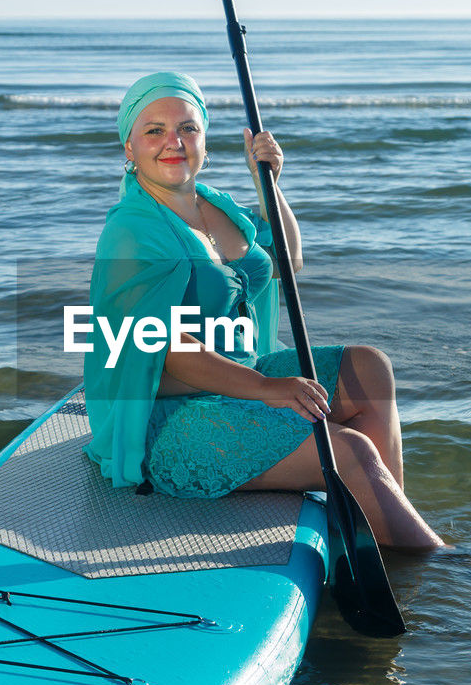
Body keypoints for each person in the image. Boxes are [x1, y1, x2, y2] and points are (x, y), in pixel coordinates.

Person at [83, 72, 444, 552]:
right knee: (347, 450)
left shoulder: (216, 206)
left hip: (240, 377)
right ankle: (442, 565)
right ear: (129, 148)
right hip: (169, 413)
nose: (173, 141)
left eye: (188, 128)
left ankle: (380, 536)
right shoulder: (133, 231)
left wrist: (268, 186)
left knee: (369, 369)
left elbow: (288, 264)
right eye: (154, 130)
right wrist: (268, 389)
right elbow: (161, 346)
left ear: (204, 139)